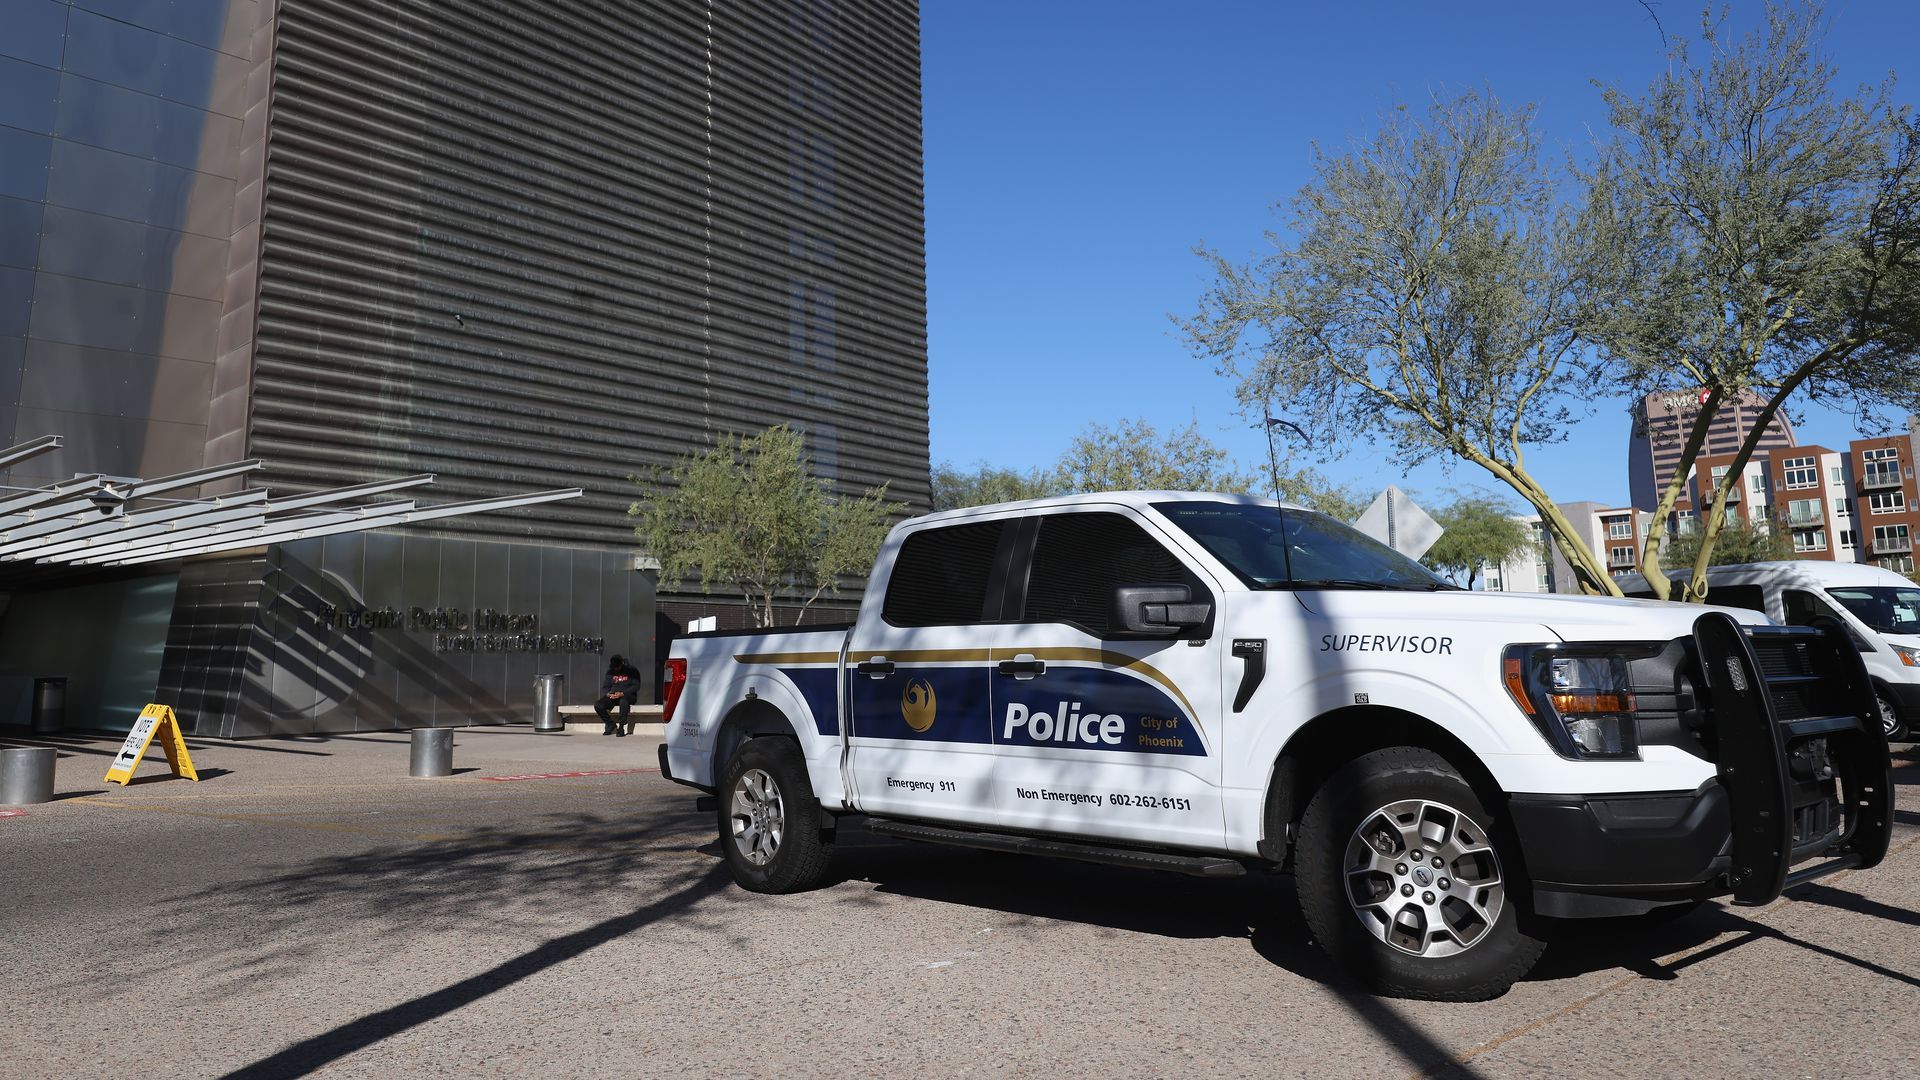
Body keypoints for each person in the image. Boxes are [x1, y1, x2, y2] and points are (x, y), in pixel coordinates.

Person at [595, 654, 642, 736]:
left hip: (628, 695)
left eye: (617, 667)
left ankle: (621, 727)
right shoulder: (610, 672)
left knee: (623, 701)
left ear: (622, 664)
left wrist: (622, 693)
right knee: (598, 705)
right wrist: (609, 694)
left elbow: (636, 686)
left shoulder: (632, 671)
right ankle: (610, 724)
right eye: (614, 667)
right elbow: (606, 687)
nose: (616, 669)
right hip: (614, 695)